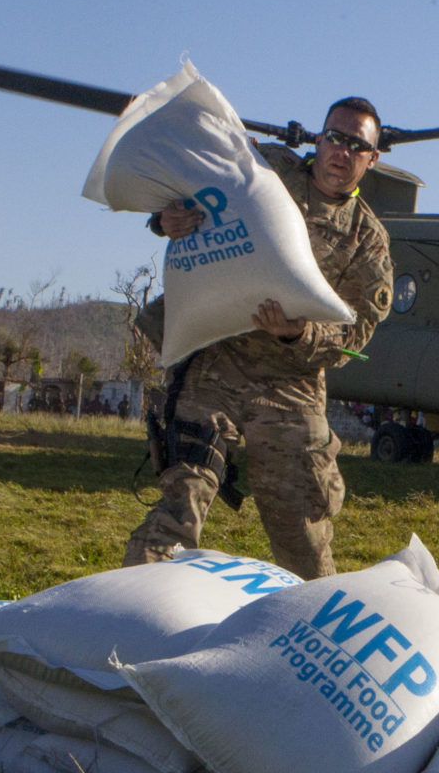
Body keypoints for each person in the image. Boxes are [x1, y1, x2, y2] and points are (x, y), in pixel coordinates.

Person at [122, 99, 395, 576]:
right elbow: (192, 188)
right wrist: (168, 219)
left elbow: (355, 336)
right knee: (181, 503)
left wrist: (301, 332)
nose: (341, 151)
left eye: (357, 145)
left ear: (372, 159)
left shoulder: (366, 240)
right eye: (334, 137)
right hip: (216, 362)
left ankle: (314, 636)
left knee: (302, 538)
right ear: (318, 138)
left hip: (291, 385)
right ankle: (126, 611)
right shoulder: (264, 170)